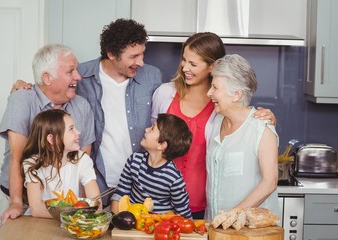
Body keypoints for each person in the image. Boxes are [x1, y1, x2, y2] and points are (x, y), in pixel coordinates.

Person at [12, 19, 163, 197]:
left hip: (140, 182)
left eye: (142, 54)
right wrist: (24, 88)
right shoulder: (80, 76)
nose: (141, 62)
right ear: (112, 54)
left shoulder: (152, 76)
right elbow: (49, 88)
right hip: (97, 182)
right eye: (133, 57)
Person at [151, 32, 276, 219]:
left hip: (203, 203)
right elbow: (151, 140)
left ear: (212, 66)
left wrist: (268, 120)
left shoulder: (221, 107)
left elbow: (246, 120)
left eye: (193, 64)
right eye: (183, 60)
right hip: (160, 199)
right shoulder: (164, 94)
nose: (185, 67)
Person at [0, 44, 95, 229]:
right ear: (47, 78)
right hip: (19, 199)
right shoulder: (22, 100)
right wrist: (16, 203)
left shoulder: (82, 106)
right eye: (70, 71)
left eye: (77, 70)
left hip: (63, 207)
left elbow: (82, 161)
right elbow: (17, 158)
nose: (78, 77)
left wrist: (77, 210)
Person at [205, 54, 279, 221]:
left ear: (236, 95)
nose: (209, 93)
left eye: (215, 88)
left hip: (252, 230)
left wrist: (231, 215)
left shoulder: (261, 128)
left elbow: (270, 182)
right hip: (217, 225)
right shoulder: (216, 122)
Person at [22, 109, 101, 218]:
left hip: (71, 223)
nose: (78, 132)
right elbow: (37, 209)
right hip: (40, 223)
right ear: (52, 139)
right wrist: (74, 215)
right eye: (71, 129)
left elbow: (96, 203)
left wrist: (74, 216)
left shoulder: (83, 159)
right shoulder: (32, 164)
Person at [110, 113, 193, 218]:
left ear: (161, 145)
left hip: (158, 229)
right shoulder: (134, 161)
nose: (146, 129)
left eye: (152, 128)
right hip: (132, 224)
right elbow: (120, 194)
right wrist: (116, 220)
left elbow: (183, 213)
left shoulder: (174, 178)